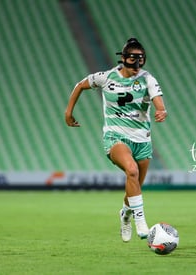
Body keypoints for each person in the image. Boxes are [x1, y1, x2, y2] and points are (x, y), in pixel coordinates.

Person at [65, 38, 167, 242]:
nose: (137, 66)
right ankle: (141, 222)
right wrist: (69, 112)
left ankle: (125, 215)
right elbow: (79, 86)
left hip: (142, 140)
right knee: (132, 170)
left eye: (140, 60)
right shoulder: (106, 77)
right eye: (133, 60)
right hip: (115, 137)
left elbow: (158, 101)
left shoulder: (147, 78)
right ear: (124, 59)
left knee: (135, 184)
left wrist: (161, 110)